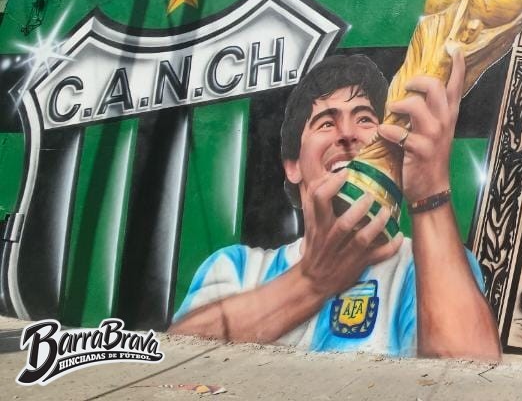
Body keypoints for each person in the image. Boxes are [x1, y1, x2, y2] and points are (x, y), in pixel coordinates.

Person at [170, 48, 500, 360]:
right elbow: (177, 363)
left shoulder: (428, 265)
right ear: (293, 166)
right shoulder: (236, 269)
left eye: (365, 119)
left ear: (391, 151)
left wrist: (430, 197)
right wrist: (311, 282)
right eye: (326, 122)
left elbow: (468, 378)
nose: (347, 134)